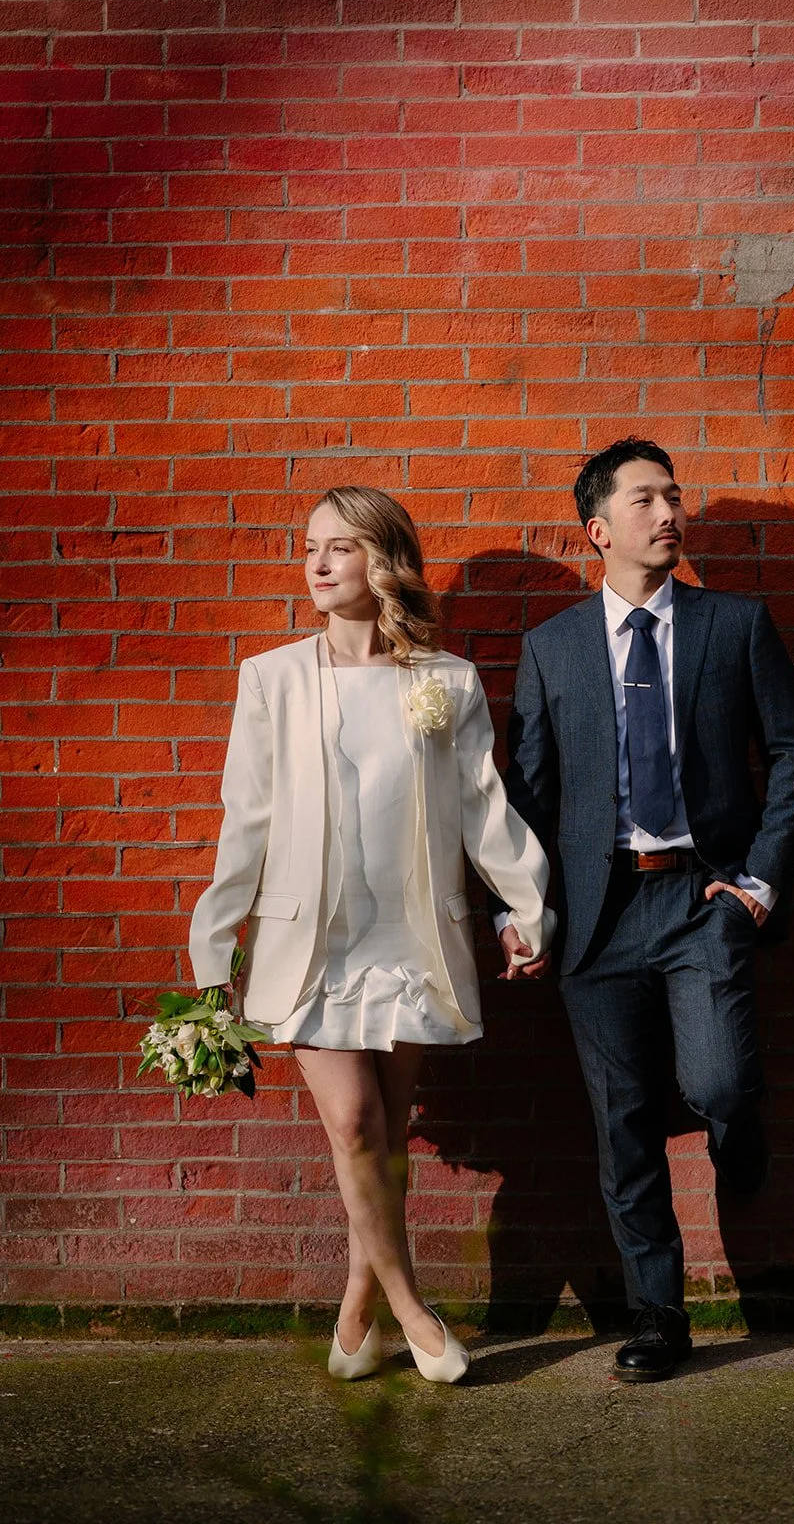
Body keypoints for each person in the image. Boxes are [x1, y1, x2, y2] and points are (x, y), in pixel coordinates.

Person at [189, 485, 554, 1384]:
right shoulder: (270, 677)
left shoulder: (445, 681)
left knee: (384, 1136)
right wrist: (212, 948)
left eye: (341, 548)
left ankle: (356, 1309)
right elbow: (248, 822)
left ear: (384, 561)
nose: (318, 564)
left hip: (409, 939)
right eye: (310, 546)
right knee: (352, 1120)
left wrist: (527, 906)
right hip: (307, 946)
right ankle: (410, 1309)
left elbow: (483, 809)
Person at [497, 439, 794, 1382]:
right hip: (596, 914)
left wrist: (754, 883)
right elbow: (525, 798)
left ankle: (734, 1121)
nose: (668, 511)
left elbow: (793, 756)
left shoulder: (735, 625)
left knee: (719, 1081)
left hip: (700, 899)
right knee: (623, 1124)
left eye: (673, 496)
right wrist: (518, 913)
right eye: (644, 499)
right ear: (599, 529)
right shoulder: (550, 648)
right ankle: (657, 1315)